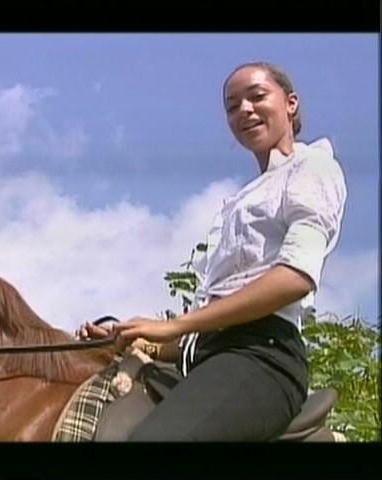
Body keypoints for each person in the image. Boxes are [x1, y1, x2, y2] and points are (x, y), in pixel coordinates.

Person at [77, 62, 347, 441]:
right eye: (233, 106)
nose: (244, 110)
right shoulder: (240, 200)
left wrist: (175, 324)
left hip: (262, 358)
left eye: (257, 96)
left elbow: (295, 278)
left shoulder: (312, 166)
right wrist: (138, 338)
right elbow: (209, 328)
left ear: (291, 103)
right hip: (206, 358)